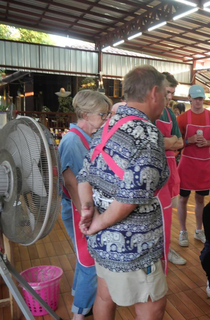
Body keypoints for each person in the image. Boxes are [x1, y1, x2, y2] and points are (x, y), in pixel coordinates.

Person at [78, 65, 170, 320]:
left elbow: (84, 175)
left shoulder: (109, 124)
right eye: (164, 94)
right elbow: (131, 197)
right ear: (153, 93)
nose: (165, 100)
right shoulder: (148, 133)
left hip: (103, 243)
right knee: (152, 306)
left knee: (105, 296)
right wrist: (95, 222)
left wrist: (88, 210)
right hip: (134, 246)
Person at [59, 90, 112, 319]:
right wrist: (89, 218)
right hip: (79, 209)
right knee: (90, 262)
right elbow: (71, 184)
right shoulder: (72, 140)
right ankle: (79, 313)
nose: (105, 119)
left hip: (86, 208)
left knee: (84, 259)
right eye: (102, 114)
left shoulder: (88, 137)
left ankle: (79, 298)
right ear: (85, 115)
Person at [176, 85, 210, 246]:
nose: (198, 101)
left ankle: (199, 230)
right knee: (183, 198)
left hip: (204, 165)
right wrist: (189, 141)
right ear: (189, 98)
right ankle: (182, 231)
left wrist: (208, 142)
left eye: (200, 98)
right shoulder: (182, 119)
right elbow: (176, 143)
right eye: (195, 98)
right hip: (187, 164)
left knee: (201, 198)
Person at [155, 72, 186, 266]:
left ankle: (166, 247)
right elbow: (151, 141)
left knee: (167, 213)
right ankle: (157, 249)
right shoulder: (148, 111)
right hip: (154, 169)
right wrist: (169, 142)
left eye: (172, 93)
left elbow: (180, 142)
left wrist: (168, 142)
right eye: (167, 92)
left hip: (170, 168)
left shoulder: (170, 114)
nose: (170, 97)